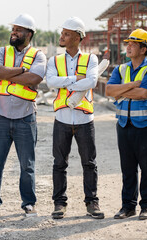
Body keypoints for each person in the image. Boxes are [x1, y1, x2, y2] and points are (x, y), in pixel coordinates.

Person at [0, 14, 46, 217]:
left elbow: (35, 77)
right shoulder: (1, 52)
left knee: (27, 165)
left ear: (29, 34)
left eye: (19, 29)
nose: (14, 32)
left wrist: (8, 74)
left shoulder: (39, 56)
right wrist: (21, 70)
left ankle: (28, 203)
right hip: (1, 117)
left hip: (26, 117)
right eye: (13, 29)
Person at [46, 17, 104, 220]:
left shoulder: (91, 59)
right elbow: (50, 82)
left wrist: (65, 83)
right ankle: (59, 204)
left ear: (78, 37)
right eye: (62, 33)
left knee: (89, 163)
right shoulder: (54, 60)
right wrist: (76, 80)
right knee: (59, 163)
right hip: (62, 118)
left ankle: (92, 202)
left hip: (84, 120)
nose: (62, 36)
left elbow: (93, 81)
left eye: (66, 34)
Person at [105, 29, 147, 220]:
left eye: (133, 44)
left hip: (145, 123)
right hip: (124, 123)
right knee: (127, 168)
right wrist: (132, 85)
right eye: (127, 43)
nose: (127, 46)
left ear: (144, 49)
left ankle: (146, 205)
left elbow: (143, 94)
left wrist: (121, 91)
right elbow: (108, 90)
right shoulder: (121, 69)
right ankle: (128, 206)